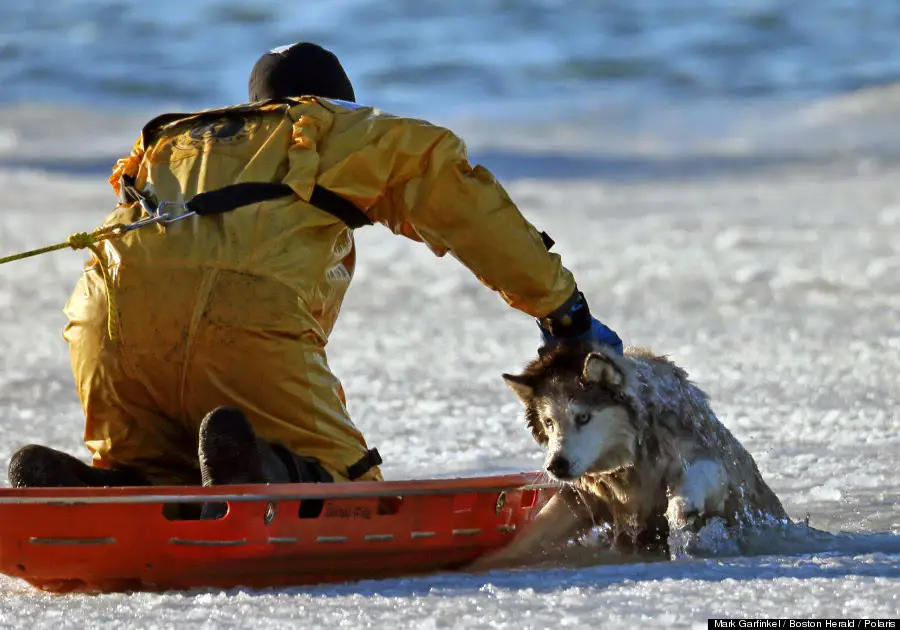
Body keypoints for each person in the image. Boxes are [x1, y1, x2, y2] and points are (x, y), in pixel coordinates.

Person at [7, 42, 623, 491]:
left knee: (166, 466)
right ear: (334, 99)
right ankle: (270, 472)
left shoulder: (172, 142)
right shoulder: (338, 128)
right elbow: (465, 207)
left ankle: (112, 485)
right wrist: (561, 310)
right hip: (243, 325)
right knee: (348, 487)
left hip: (105, 328)